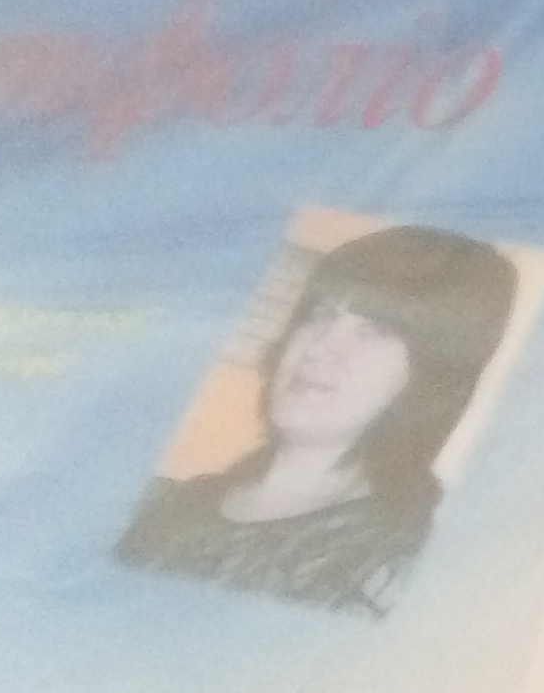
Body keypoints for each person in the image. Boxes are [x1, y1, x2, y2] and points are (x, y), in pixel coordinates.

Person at [117, 225, 521, 617]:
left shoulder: (393, 575)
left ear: (429, 377)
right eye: (321, 314)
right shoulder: (161, 501)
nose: (319, 347)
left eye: (376, 329)